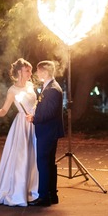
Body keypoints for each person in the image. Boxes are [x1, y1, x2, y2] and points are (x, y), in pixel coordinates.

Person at [0, 58, 39, 206]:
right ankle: (18, 192)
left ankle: (33, 190)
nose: (30, 73)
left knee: (34, 156)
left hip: (34, 122)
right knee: (21, 157)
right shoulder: (12, 90)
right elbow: (4, 110)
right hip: (22, 125)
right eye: (28, 70)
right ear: (19, 72)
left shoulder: (31, 85)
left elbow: (37, 102)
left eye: (30, 70)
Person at [26, 60, 65, 206]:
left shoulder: (53, 89)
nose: (36, 73)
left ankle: (44, 197)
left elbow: (50, 112)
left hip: (47, 131)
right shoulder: (49, 87)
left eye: (38, 70)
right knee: (49, 163)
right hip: (48, 130)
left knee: (43, 163)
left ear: (45, 72)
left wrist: (34, 118)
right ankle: (51, 195)